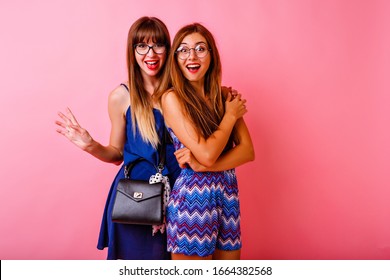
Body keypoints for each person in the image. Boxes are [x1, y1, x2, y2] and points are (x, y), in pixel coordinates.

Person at [55, 16, 180, 260]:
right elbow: (116, 154)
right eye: (141, 46)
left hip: (180, 192)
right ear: (132, 51)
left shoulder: (181, 92)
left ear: (168, 48)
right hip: (137, 198)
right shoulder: (120, 96)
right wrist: (91, 145)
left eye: (158, 45)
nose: (150, 53)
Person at [155, 23, 255, 260]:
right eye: (183, 49)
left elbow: (247, 151)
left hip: (228, 196)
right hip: (194, 201)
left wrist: (205, 166)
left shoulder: (224, 96)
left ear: (211, 55)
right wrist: (230, 116)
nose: (192, 55)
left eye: (201, 48)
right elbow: (207, 153)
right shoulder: (172, 98)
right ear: (176, 58)